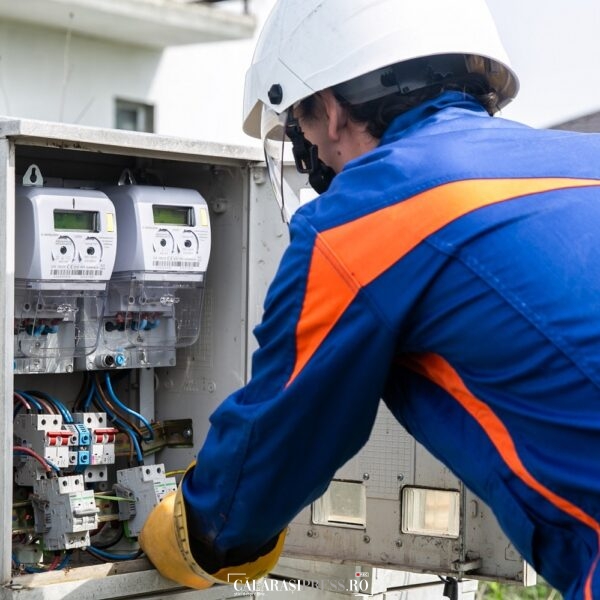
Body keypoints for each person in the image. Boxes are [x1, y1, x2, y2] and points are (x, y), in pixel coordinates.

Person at [139, 1, 600, 599]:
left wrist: (192, 532)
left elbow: (272, 450)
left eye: (300, 132)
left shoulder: (365, 220)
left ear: (330, 111)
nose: (313, 162)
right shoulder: (584, 159)